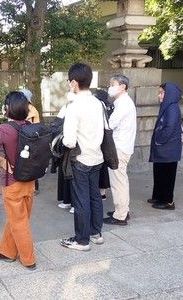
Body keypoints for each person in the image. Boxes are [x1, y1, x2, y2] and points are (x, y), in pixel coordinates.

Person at [0, 91, 37, 270]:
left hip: (12, 182)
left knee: (19, 222)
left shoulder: (4, 129)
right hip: (30, 181)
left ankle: (28, 259)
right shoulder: (31, 126)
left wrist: (3, 162)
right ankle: (7, 250)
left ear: (7, 108)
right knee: (18, 219)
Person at [60, 63, 104, 251]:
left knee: (81, 199)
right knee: (94, 195)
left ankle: (81, 240)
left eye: (70, 82)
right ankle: (96, 233)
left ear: (75, 83)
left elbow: (69, 141)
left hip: (81, 158)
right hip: (97, 156)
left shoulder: (74, 106)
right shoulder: (97, 102)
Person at [103, 75, 136, 226]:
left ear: (123, 87)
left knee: (118, 182)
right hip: (122, 146)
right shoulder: (123, 102)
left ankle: (120, 215)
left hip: (119, 148)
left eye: (113, 84)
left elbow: (110, 124)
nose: (110, 87)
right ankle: (123, 210)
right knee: (121, 180)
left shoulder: (123, 104)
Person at [148, 83, 182, 210]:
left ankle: (168, 201)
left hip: (168, 149)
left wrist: (159, 140)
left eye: (162, 93)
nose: (159, 95)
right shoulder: (167, 106)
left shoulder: (172, 107)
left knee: (167, 175)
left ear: (169, 94)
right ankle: (158, 196)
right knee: (159, 172)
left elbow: (169, 127)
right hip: (164, 148)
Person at [20, 88, 41, 194]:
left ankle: (34, 187)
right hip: (28, 138)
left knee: (31, 163)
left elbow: (29, 123)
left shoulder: (31, 109)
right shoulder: (27, 108)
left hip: (31, 139)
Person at [94, 89, 113, 200]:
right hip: (108, 142)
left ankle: (100, 192)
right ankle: (102, 192)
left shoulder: (100, 107)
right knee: (104, 168)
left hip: (100, 141)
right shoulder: (110, 107)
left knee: (100, 168)